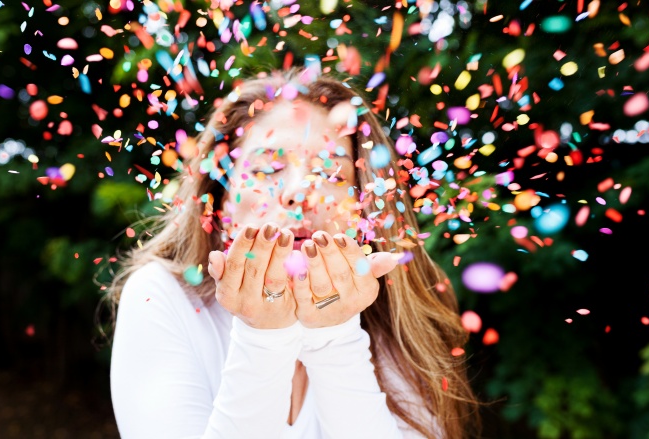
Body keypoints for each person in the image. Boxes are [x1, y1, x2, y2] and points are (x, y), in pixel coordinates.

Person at [107, 68, 480, 438]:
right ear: (217, 198)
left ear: (363, 205)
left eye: (332, 174)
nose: (300, 191)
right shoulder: (161, 296)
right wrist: (262, 336)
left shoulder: (400, 317)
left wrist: (334, 334)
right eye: (269, 168)